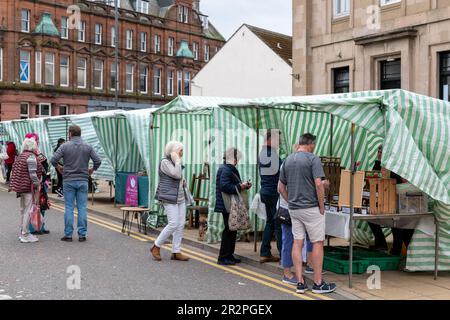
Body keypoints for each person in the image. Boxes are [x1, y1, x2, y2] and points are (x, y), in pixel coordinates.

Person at [278, 133, 336, 294]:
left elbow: (280, 188)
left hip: (294, 209)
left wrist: (291, 202)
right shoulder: (313, 159)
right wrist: (321, 205)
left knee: (298, 242)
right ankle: (318, 283)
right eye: (314, 145)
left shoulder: (288, 159)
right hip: (311, 208)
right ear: (311, 144)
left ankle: (300, 283)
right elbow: (319, 184)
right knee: (317, 242)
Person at [51, 125, 101, 242]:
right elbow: (97, 161)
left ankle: (68, 235)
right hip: (83, 180)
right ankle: (82, 234)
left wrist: (59, 167)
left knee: (69, 207)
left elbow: (53, 159)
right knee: (82, 207)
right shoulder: (88, 146)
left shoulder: (64, 146)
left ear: (70, 134)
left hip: (68, 180)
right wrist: (92, 170)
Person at [368, 146, 414, 256]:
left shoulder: (393, 165)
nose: (379, 153)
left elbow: (397, 180)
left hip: (399, 201)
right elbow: (374, 175)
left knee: (397, 224)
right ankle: (381, 243)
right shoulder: (381, 164)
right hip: (386, 200)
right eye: (378, 151)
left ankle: (396, 249)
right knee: (370, 217)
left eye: (381, 151)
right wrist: (379, 161)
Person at [150, 141, 190, 262]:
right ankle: (156, 246)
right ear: (174, 151)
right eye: (180, 150)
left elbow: (179, 178)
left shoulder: (174, 162)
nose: (182, 153)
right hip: (169, 197)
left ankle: (176, 251)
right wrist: (177, 161)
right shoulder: (165, 162)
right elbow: (176, 174)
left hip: (180, 197)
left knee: (180, 224)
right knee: (173, 223)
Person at [215, 147, 252, 266]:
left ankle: (229, 255)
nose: (238, 161)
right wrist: (241, 186)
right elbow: (224, 186)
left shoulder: (227, 168)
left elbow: (230, 184)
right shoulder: (226, 169)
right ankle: (223, 257)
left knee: (232, 229)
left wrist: (243, 186)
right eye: (237, 158)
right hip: (228, 204)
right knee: (229, 230)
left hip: (228, 203)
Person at [9, 137, 42, 243]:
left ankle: (23, 231)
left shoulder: (20, 156)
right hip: (28, 187)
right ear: (33, 146)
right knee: (28, 210)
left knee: (23, 210)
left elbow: (14, 171)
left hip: (20, 187)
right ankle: (25, 234)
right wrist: (38, 184)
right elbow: (32, 174)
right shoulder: (31, 157)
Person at [259, 130, 282, 263]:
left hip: (266, 191)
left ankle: (265, 252)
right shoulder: (270, 154)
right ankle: (283, 254)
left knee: (270, 222)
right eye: (277, 139)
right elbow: (282, 171)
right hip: (273, 192)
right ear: (270, 139)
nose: (279, 142)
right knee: (278, 223)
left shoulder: (263, 153)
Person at [23, 134, 51, 235]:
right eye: (37, 140)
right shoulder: (30, 154)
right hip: (35, 184)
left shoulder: (37, 152)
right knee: (34, 206)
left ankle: (40, 226)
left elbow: (45, 165)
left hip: (42, 182)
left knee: (42, 205)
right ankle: (33, 228)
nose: (38, 142)